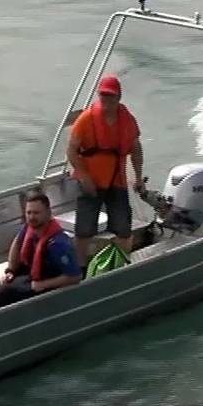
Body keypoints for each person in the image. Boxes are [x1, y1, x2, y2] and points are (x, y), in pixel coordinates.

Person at [66, 72, 146, 264]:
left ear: (118, 97)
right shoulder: (85, 120)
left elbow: (136, 150)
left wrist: (138, 177)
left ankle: (118, 264)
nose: (106, 99)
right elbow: (71, 150)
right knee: (84, 230)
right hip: (90, 183)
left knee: (123, 229)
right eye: (103, 95)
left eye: (110, 95)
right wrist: (84, 177)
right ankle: (79, 269)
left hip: (116, 181)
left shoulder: (127, 120)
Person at [0, 189, 82, 314]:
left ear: (48, 213)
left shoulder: (58, 244)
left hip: (44, 285)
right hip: (29, 277)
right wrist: (11, 270)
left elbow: (75, 277)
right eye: (28, 213)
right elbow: (17, 243)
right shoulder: (30, 228)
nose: (31, 217)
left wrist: (44, 284)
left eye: (36, 213)